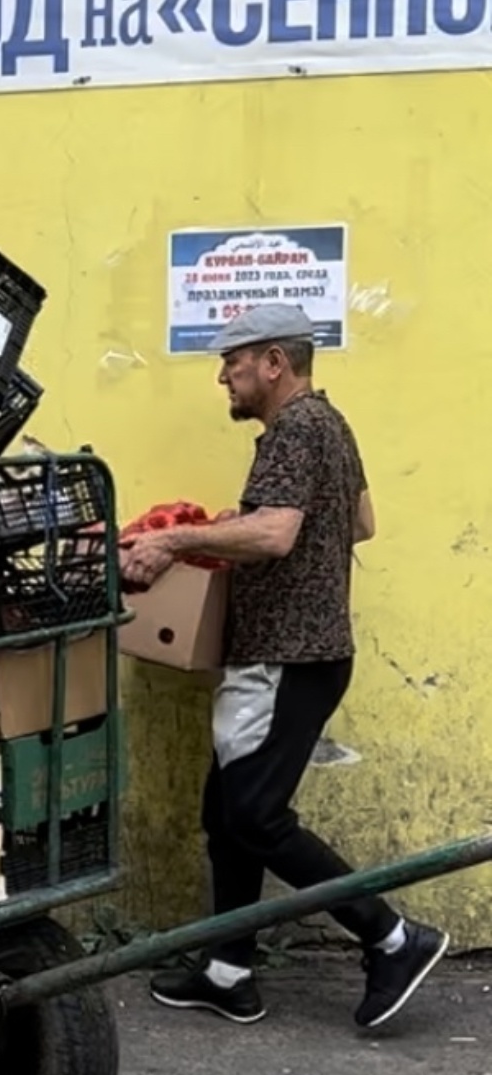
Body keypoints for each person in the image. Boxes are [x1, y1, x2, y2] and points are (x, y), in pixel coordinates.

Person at [121, 301, 446, 1035]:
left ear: (274, 362)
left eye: (232, 364)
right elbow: (360, 522)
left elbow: (274, 532)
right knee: (228, 815)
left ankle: (392, 938)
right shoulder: (330, 423)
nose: (223, 379)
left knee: (255, 816)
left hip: (284, 656)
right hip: (310, 653)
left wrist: (175, 545)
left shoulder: (293, 430)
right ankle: (228, 971)